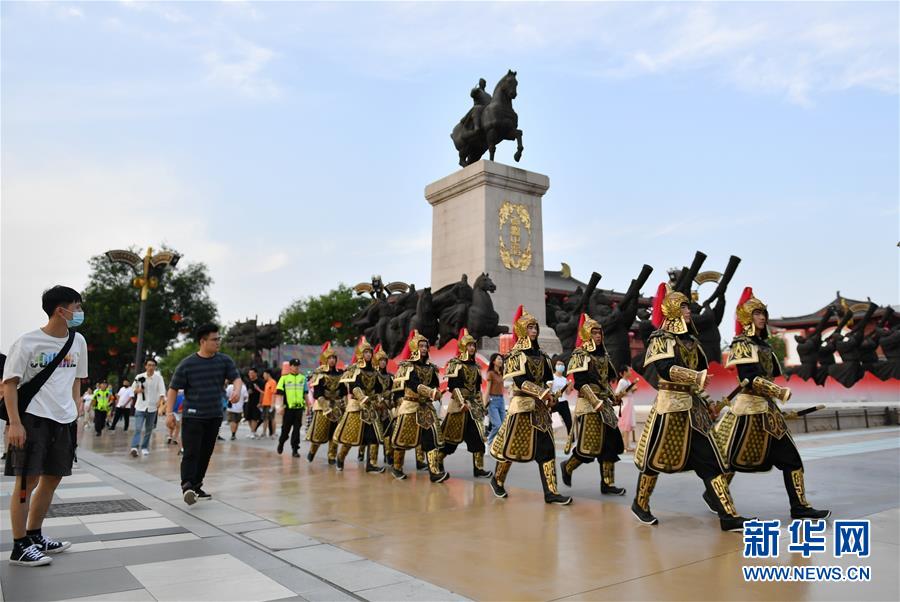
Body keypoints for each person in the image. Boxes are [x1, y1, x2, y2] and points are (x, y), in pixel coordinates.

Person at [631, 290, 749, 531]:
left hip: (694, 409)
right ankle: (640, 503)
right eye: (684, 307)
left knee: (711, 461)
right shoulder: (659, 338)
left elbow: (698, 382)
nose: (688, 312)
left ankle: (728, 516)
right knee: (654, 461)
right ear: (673, 311)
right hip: (669, 406)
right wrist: (694, 376)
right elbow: (664, 369)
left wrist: (707, 402)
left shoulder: (693, 343)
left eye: (688, 308)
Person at [712, 290, 830, 520]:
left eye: (763, 312)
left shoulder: (764, 347)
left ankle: (799, 507)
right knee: (730, 460)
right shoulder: (741, 344)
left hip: (769, 410)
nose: (762, 317)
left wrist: (775, 394)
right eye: (757, 313)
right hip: (747, 411)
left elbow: (768, 375)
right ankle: (715, 496)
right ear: (747, 318)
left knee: (791, 459)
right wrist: (778, 391)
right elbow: (750, 377)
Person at [4, 285, 87, 566]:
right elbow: (10, 384)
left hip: (63, 420)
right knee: (27, 482)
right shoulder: (27, 343)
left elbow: (77, 377)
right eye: (76, 307)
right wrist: (15, 423)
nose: (79, 312)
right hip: (32, 419)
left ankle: (34, 535)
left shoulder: (78, 342)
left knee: (52, 479)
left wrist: (76, 406)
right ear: (60, 311)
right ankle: (19, 546)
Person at [489, 307, 571, 505]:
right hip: (522, 406)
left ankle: (551, 492)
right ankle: (497, 480)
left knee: (547, 450)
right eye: (530, 327)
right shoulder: (515, 355)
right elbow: (520, 381)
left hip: (541, 409)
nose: (534, 331)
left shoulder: (542, 355)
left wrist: (550, 394)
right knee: (511, 448)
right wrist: (542, 393)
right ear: (523, 330)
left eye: (535, 327)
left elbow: (548, 379)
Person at [165, 324, 241, 505]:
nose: (218, 342)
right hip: (193, 415)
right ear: (203, 341)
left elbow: (236, 378)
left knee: (206, 453)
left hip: (214, 415)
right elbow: (173, 389)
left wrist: (237, 390)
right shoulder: (187, 364)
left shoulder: (224, 361)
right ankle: (187, 486)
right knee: (191, 452)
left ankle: (197, 485)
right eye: (214, 339)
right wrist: (169, 413)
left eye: (218, 339)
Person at [559, 315, 626, 495]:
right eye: (594, 332)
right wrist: (595, 402)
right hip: (589, 406)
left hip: (604, 405)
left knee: (611, 445)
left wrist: (613, 397)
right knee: (589, 447)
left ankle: (608, 484)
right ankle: (568, 466)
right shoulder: (580, 354)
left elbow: (604, 382)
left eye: (599, 332)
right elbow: (580, 382)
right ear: (587, 335)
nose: (598, 336)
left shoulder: (603, 355)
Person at [389, 331, 448, 482]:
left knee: (431, 439)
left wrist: (438, 392)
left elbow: (435, 384)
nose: (424, 348)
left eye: (425, 346)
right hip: (410, 405)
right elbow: (413, 385)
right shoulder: (407, 367)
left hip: (426, 408)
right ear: (415, 348)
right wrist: (431, 392)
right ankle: (396, 467)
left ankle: (434, 473)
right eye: (421, 346)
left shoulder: (431, 368)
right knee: (402, 440)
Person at [440, 329, 492, 478]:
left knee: (478, 439)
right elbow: (452, 386)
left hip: (473, 408)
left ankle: (479, 469)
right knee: (450, 441)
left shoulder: (476, 367)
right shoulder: (454, 364)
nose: (472, 348)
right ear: (463, 347)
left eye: (473, 346)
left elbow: (477, 389)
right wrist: (462, 402)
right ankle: (437, 462)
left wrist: (481, 406)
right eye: (469, 345)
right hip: (458, 407)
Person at [334, 341, 385, 473]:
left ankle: (372, 464)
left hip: (370, 408)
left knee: (374, 437)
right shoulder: (354, 369)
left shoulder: (375, 371)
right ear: (360, 354)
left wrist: (379, 400)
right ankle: (340, 457)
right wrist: (362, 397)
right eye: (366, 352)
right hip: (357, 406)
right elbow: (354, 387)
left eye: (370, 352)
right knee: (350, 437)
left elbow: (378, 390)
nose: (368, 355)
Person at [306, 345, 345, 463]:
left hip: (337, 406)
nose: (332, 360)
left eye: (334, 358)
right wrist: (325, 407)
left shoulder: (340, 373)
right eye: (330, 358)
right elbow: (317, 393)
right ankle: (312, 451)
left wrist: (343, 404)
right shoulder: (320, 374)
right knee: (319, 432)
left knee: (335, 433)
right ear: (326, 360)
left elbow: (343, 391)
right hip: (322, 405)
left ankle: (332, 456)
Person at [130, 358, 167, 457]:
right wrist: (138, 390)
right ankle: (134, 447)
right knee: (138, 428)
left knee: (148, 429)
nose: (151, 367)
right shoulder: (139, 377)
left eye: (153, 365)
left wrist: (160, 403)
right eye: (149, 365)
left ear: (155, 367)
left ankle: (144, 447)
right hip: (140, 407)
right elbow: (132, 389)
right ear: (145, 366)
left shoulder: (158, 378)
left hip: (152, 408)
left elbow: (162, 392)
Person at [276, 359, 307, 458]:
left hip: (299, 408)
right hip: (288, 409)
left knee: (297, 429)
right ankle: (281, 442)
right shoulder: (284, 378)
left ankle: (295, 449)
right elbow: (280, 394)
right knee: (285, 429)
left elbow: (305, 393)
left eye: (298, 365)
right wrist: (280, 407)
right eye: (294, 365)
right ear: (290, 367)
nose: (296, 367)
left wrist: (309, 405)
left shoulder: (303, 378)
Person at [373, 347, 395, 466]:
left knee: (388, 431)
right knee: (375, 433)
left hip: (387, 407)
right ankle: (368, 457)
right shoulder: (372, 375)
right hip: (375, 407)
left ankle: (388, 454)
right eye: (380, 360)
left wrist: (391, 399)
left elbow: (393, 390)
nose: (383, 362)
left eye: (384, 360)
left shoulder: (390, 377)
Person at [484, 353, 506, 443]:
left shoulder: (502, 373)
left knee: (503, 426)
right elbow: (487, 390)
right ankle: (489, 442)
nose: (501, 361)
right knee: (497, 425)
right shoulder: (490, 374)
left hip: (501, 400)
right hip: (493, 401)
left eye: (501, 359)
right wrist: (484, 405)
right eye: (498, 359)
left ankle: (497, 444)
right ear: (493, 361)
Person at [615, 367, 637, 452]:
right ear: (624, 372)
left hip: (630, 403)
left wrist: (632, 390)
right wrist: (629, 390)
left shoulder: (627, 381)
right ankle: (625, 445)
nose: (630, 372)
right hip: (626, 403)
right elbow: (618, 393)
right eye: (629, 371)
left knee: (627, 425)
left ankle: (627, 445)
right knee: (626, 425)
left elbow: (629, 391)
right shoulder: (622, 381)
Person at [550, 356, 573, 435]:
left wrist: (570, 386)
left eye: (562, 365)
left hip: (563, 402)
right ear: (555, 366)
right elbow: (549, 389)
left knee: (569, 423)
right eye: (559, 364)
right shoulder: (552, 377)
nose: (561, 366)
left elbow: (567, 393)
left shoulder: (564, 379)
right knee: (555, 425)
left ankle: (571, 441)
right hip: (555, 403)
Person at [244, 368, 264, 438]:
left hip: (256, 402)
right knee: (249, 417)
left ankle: (253, 432)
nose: (250, 375)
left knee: (254, 418)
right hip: (249, 402)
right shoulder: (249, 382)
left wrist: (260, 402)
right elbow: (248, 392)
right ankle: (252, 431)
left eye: (252, 373)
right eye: (249, 373)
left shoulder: (260, 381)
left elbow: (262, 393)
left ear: (256, 373)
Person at [260, 369, 277, 438]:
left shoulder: (273, 382)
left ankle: (273, 433)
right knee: (265, 419)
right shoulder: (267, 383)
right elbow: (266, 393)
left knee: (272, 419)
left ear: (268, 374)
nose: (263, 376)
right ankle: (264, 433)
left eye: (264, 374)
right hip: (265, 403)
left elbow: (273, 394)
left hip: (270, 404)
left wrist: (272, 404)